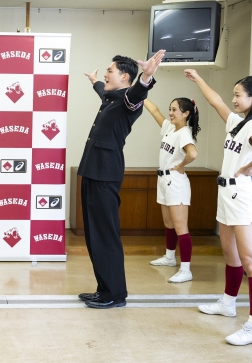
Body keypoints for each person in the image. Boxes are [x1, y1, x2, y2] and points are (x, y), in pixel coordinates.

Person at [184, 69, 252, 346]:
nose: (233, 99)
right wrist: (198, 79)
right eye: (233, 95)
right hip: (227, 194)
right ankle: (227, 303)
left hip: (243, 196)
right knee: (230, 255)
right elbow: (216, 101)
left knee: (250, 262)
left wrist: (247, 168)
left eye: (238, 95)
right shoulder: (238, 121)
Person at [77, 50, 165, 309]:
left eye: (110, 71)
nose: (106, 74)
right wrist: (94, 81)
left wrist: (146, 77)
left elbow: (137, 94)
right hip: (93, 171)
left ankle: (115, 293)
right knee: (95, 234)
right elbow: (102, 91)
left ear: (125, 77)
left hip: (105, 173)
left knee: (106, 234)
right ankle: (104, 289)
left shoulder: (129, 99)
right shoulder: (112, 96)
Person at [143, 97, 200, 283]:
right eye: (170, 109)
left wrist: (182, 165)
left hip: (176, 182)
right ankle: (169, 257)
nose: (170, 113)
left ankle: (186, 270)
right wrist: (139, 91)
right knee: (168, 223)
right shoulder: (170, 128)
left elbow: (193, 153)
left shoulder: (184, 133)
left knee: (180, 227)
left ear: (186, 113)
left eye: (175, 110)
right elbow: (154, 110)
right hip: (163, 179)